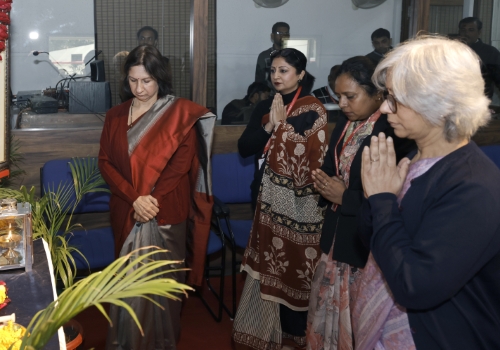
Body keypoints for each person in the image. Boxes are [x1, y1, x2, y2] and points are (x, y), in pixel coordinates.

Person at [354, 36, 500, 349]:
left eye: (395, 98)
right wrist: (374, 197)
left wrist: (382, 201)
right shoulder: (412, 158)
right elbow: (373, 241)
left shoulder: (473, 187)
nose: (383, 107)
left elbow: (415, 286)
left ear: (438, 103)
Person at [98, 45, 215, 350]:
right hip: (126, 210)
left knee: (163, 286)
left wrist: (149, 201)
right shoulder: (115, 115)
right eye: (133, 80)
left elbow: (180, 165)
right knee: (127, 284)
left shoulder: (180, 115)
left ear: (160, 78)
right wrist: (134, 198)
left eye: (147, 81)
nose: (139, 88)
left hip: (165, 212)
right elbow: (105, 162)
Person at [305, 57, 414, 350]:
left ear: (378, 94)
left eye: (350, 96)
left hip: (364, 241)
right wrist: (323, 182)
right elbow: (332, 165)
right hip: (336, 232)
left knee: (357, 322)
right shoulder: (345, 121)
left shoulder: (394, 130)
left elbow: (395, 195)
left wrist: (344, 197)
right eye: (338, 96)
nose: (342, 103)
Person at [234, 48, 328, 350]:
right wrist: (270, 126)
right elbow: (245, 148)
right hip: (264, 194)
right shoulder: (265, 105)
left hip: (302, 202)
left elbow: (315, 156)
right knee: (269, 260)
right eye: (273, 70)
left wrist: (284, 127)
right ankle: (266, 328)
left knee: (293, 263)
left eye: (284, 70)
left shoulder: (313, 108)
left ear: (300, 74)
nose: (276, 76)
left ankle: (293, 332)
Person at [458, 16, 500, 98]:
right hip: (452, 99)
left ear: (479, 32)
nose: (466, 33)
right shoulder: (451, 50)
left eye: (471, 30)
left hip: (479, 100)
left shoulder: (490, 52)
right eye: (463, 30)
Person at [255, 22, 290, 88]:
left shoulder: (294, 55)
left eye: (286, 33)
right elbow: (259, 82)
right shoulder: (264, 56)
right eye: (279, 33)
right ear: (272, 36)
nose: (283, 36)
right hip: (269, 92)